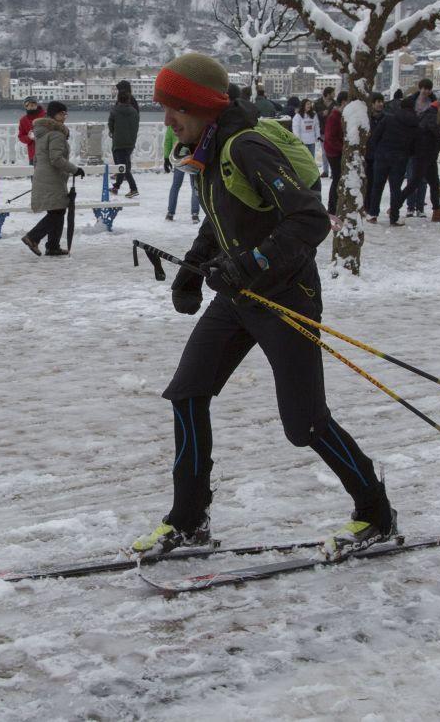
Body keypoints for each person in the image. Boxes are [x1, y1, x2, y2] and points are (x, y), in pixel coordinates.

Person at [131, 52, 394, 556]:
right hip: (238, 298)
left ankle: (375, 514)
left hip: (285, 297)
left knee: (305, 424)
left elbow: (310, 219)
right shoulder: (208, 149)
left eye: (174, 108)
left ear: (201, 105)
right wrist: (191, 271)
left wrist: (251, 262)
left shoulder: (245, 146)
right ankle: (188, 520)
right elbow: (221, 219)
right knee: (187, 393)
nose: (167, 120)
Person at [21, 101, 82, 256]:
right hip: (52, 177)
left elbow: (37, 157)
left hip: (44, 175)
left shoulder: (42, 132)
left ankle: (53, 246)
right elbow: (56, 159)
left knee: (57, 210)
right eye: (61, 113)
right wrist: (75, 170)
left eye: (65, 113)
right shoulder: (56, 133)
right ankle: (33, 237)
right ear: (54, 114)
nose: (64, 116)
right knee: (57, 212)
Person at [398, 89, 440, 221]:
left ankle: (437, 212)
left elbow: (435, 138)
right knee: (414, 183)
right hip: (423, 156)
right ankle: (395, 205)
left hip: (429, 156)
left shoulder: (430, 115)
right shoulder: (431, 115)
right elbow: (439, 133)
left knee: (434, 184)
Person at [366, 94, 419, 225]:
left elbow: (375, 137)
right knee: (395, 188)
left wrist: (378, 150)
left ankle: (372, 214)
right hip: (400, 158)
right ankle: (394, 217)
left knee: (377, 186)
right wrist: (407, 153)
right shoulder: (414, 123)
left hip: (382, 156)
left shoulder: (389, 118)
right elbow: (415, 144)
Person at [403, 79, 439, 217]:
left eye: (428, 89)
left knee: (423, 179)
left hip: (427, 145)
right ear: (419, 88)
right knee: (412, 176)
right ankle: (410, 207)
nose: (425, 91)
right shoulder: (411, 101)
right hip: (412, 144)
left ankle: (420, 207)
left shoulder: (433, 103)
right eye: (423, 88)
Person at [108, 85, 140, 197]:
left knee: (123, 167)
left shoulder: (115, 111)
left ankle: (133, 189)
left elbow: (111, 126)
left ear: (118, 99)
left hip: (118, 143)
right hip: (130, 143)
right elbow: (136, 126)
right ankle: (116, 187)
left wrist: (114, 134)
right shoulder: (134, 112)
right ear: (128, 99)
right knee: (123, 165)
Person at [164, 123, 200, 223]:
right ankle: (195, 214)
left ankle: (170, 213)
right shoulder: (191, 120)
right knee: (195, 186)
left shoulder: (173, 122)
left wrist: (166, 157)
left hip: (178, 155)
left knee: (176, 185)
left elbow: (168, 140)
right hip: (192, 155)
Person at [323, 94, 347, 213]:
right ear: (343, 102)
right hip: (334, 153)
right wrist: (343, 149)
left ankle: (336, 205)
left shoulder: (340, 115)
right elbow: (330, 138)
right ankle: (332, 207)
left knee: (338, 179)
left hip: (337, 151)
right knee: (337, 179)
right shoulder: (334, 117)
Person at [17, 96, 43, 165]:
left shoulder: (45, 116)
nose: (31, 107)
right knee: (34, 171)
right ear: (25, 106)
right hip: (33, 153)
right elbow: (21, 136)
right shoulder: (23, 120)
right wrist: (29, 137)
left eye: (33, 104)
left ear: (37, 105)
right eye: (28, 105)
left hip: (47, 151)